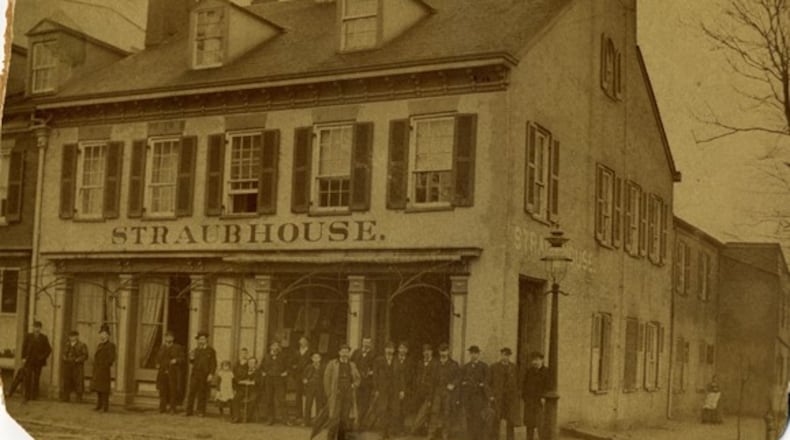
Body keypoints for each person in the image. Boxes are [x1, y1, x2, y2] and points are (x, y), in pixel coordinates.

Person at [324, 344, 361, 440]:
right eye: (343, 351)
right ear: (339, 352)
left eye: (346, 351)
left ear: (349, 353)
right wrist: (329, 394)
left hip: (348, 394)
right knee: (334, 418)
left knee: (344, 419)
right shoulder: (333, 364)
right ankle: (330, 438)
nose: (345, 353)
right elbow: (326, 379)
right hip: (336, 395)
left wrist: (354, 385)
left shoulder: (352, 365)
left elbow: (358, 378)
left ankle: (341, 438)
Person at [373, 342, 405, 439]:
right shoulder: (379, 360)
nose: (389, 351)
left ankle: (390, 433)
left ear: (394, 350)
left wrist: (402, 390)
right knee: (382, 411)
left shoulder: (397, 361)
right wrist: (376, 389)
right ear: (385, 350)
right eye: (388, 349)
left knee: (393, 411)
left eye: (391, 349)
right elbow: (375, 376)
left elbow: (401, 377)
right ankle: (383, 432)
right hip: (382, 391)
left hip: (394, 391)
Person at [428, 343, 459, 440]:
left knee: (447, 413)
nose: (443, 353)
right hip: (437, 391)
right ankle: (431, 434)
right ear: (439, 352)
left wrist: (453, 384)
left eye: (445, 351)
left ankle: (445, 434)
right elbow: (432, 381)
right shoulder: (435, 364)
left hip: (447, 392)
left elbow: (458, 377)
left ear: (448, 351)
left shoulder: (454, 364)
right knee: (434, 413)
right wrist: (430, 397)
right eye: (441, 351)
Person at [460, 345, 490, 440]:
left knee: (479, 417)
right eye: (471, 353)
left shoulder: (484, 366)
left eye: (475, 353)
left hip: (479, 396)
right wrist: (465, 383)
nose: (473, 355)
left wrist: (482, 385)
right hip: (468, 396)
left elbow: (487, 380)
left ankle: (479, 437)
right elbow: (462, 380)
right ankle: (470, 437)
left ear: (478, 354)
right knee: (469, 417)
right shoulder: (466, 367)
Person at [489, 347, 519, 440]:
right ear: (500, 355)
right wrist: (491, 395)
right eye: (503, 354)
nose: (505, 357)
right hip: (498, 398)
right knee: (496, 420)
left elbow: (518, 382)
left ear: (509, 356)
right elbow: (488, 383)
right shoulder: (494, 367)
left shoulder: (514, 367)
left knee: (510, 421)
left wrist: (516, 395)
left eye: (507, 355)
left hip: (509, 399)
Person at [185, 331, 217, 417]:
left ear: (206, 339)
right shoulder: (196, 350)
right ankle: (189, 411)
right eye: (199, 339)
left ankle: (201, 411)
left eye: (203, 339)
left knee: (202, 393)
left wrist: (211, 374)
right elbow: (192, 362)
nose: (201, 341)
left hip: (205, 374)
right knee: (191, 392)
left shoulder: (211, 351)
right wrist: (191, 358)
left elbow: (213, 364)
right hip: (195, 374)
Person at [155, 331, 186, 414]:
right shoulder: (162, 347)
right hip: (162, 372)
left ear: (173, 338)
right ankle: (162, 408)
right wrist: (157, 363)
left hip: (173, 372)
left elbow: (183, 359)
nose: (168, 338)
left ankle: (173, 408)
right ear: (165, 338)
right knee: (162, 390)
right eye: (167, 337)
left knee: (173, 390)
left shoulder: (178, 347)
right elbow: (158, 357)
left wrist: (176, 360)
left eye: (170, 337)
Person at [21, 321, 52, 402]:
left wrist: (42, 357)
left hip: (38, 362)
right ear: (33, 327)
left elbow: (49, 349)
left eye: (38, 327)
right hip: (29, 360)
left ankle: (34, 396)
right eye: (35, 327)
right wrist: (23, 358)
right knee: (28, 378)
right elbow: (24, 347)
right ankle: (26, 395)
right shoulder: (28, 336)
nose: (36, 329)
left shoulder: (44, 337)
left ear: (40, 328)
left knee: (36, 378)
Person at [411, 344, 437, 435]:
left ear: (432, 352)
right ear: (423, 353)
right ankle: (421, 429)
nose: (426, 353)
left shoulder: (435, 363)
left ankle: (418, 429)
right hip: (420, 391)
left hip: (430, 391)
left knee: (427, 410)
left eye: (428, 351)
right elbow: (417, 375)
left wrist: (431, 393)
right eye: (425, 351)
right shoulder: (420, 363)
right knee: (419, 409)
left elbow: (434, 380)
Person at [522, 351, 548, 440]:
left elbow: (549, 386)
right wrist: (525, 397)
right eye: (533, 360)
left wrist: (544, 397)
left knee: (541, 425)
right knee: (529, 425)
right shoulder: (529, 371)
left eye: (537, 360)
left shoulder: (546, 372)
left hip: (540, 403)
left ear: (542, 360)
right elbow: (524, 385)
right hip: (529, 403)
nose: (535, 362)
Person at [261, 342, 289, 425]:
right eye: (273, 346)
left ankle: (285, 419)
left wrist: (286, 372)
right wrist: (263, 372)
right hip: (269, 380)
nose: (274, 348)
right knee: (269, 399)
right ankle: (270, 419)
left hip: (279, 380)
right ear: (270, 348)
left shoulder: (283, 357)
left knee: (281, 399)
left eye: (276, 347)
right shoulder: (266, 357)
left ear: (279, 348)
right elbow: (262, 367)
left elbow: (288, 367)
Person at [91, 324, 116, 413]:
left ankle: (105, 407)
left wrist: (105, 365)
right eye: (101, 334)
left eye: (105, 334)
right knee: (98, 388)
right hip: (98, 370)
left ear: (108, 335)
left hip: (104, 370)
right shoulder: (100, 345)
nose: (103, 335)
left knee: (104, 389)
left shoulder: (111, 345)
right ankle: (99, 405)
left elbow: (112, 358)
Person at [351, 337, 375, 422]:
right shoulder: (356, 352)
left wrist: (371, 372)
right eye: (365, 342)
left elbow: (375, 368)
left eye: (368, 343)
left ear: (370, 344)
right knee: (355, 401)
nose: (366, 344)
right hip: (356, 382)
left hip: (367, 382)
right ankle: (355, 421)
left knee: (365, 403)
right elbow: (351, 364)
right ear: (362, 342)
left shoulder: (373, 354)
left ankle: (361, 422)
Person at [61, 330, 88, 403]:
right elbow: (64, 353)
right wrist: (64, 358)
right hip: (68, 365)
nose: (72, 338)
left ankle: (79, 398)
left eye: (73, 336)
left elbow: (85, 355)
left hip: (77, 366)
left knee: (78, 381)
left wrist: (77, 360)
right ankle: (66, 397)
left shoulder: (82, 345)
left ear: (77, 337)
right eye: (70, 336)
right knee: (67, 381)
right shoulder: (67, 344)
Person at [231, 357, 260, 423]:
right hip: (243, 389)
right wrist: (243, 381)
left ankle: (247, 417)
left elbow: (258, 381)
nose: (251, 364)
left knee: (252, 400)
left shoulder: (258, 372)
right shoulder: (244, 370)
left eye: (253, 363)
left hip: (253, 390)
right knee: (235, 399)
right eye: (249, 363)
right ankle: (236, 417)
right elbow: (239, 380)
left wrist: (251, 382)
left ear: (256, 364)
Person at [291, 336, 312, 424]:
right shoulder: (296, 352)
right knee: (298, 395)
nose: (302, 342)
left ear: (307, 342)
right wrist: (294, 367)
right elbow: (291, 362)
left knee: (307, 395)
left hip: (307, 376)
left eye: (304, 341)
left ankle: (306, 415)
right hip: (298, 376)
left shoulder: (311, 352)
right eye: (301, 340)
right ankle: (298, 414)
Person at [303, 352, 325, 426]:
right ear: (312, 359)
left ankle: (318, 421)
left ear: (320, 359)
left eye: (317, 358)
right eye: (314, 358)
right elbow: (304, 376)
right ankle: (306, 421)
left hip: (319, 387)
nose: (316, 359)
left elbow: (325, 377)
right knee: (308, 404)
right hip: (310, 387)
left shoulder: (322, 367)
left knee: (319, 404)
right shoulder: (308, 367)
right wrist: (305, 380)